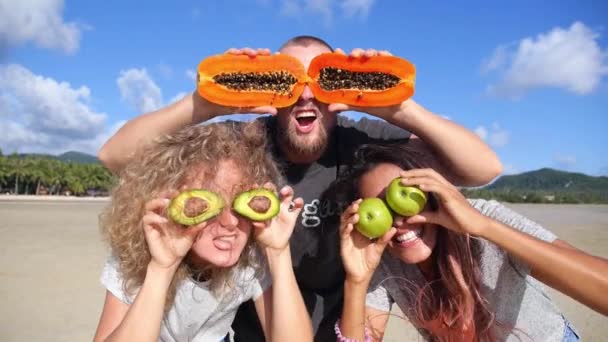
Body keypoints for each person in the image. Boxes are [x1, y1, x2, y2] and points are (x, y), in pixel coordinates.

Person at [97, 35, 503, 341]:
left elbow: (483, 168)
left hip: (343, 324)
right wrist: (208, 103)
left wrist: (401, 108)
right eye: (292, 80)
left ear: (339, 93)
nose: (307, 94)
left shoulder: (364, 141)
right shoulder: (244, 146)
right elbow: (115, 156)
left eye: (322, 81)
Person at [337, 144, 608, 341]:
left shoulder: (482, 217)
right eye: (382, 210)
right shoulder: (381, 257)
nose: (398, 223)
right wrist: (356, 281)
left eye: (403, 204)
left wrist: (483, 227)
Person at [93, 121, 312, 342]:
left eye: (239, 204)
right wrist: (161, 269)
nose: (231, 223)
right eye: (207, 205)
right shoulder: (139, 252)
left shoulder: (251, 258)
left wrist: (278, 252)